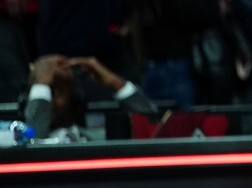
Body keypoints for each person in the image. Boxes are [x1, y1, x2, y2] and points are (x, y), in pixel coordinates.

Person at [23, 54, 157, 142]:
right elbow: (33, 144)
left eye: (56, 91)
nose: (47, 101)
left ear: (76, 95)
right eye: (42, 92)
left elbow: (153, 127)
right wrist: (41, 85)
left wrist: (115, 84)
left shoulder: (99, 140)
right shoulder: (18, 141)